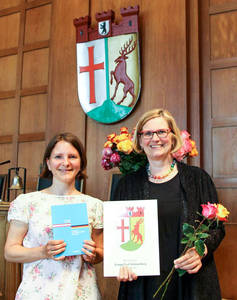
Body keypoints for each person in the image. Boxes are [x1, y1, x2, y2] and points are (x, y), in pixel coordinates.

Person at [113, 109, 225, 300]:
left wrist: (201, 251)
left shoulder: (198, 179)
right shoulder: (127, 184)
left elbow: (216, 227)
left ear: (172, 137)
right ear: (139, 140)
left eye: (161, 132)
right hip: (142, 285)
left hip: (191, 284)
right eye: (147, 133)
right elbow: (116, 235)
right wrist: (120, 264)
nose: (155, 138)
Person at [4, 132, 103, 300]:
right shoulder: (27, 202)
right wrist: (43, 251)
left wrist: (93, 255)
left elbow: (101, 252)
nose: (66, 163)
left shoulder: (94, 205)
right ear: (48, 163)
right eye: (58, 157)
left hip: (81, 293)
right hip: (37, 292)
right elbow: (10, 252)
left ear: (81, 163)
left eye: (72, 156)